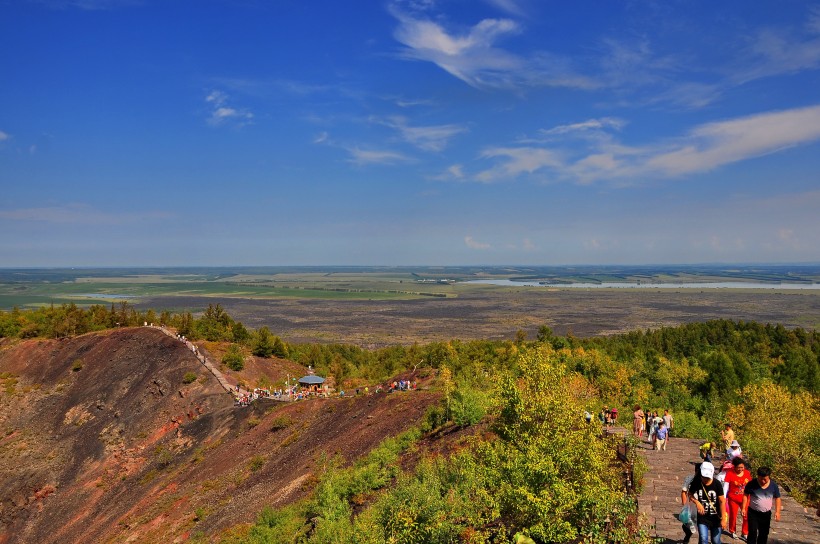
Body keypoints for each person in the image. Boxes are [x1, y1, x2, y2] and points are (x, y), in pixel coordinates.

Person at [688, 462, 727, 544]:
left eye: (708, 478)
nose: (705, 480)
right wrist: (697, 502)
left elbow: (722, 501)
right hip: (703, 517)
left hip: (716, 517)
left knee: (716, 541)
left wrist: (723, 518)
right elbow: (690, 494)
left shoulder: (717, 484)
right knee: (703, 539)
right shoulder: (697, 482)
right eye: (704, 477)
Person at [742, 467, 781, 544]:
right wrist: (743, 508)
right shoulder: (751, 484)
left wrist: (777, 512)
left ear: (769, 477)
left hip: (766, 514)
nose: (763, 481)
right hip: (753, 513)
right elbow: (745, 495)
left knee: (763, 534)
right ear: (758, 476)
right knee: (752, 532)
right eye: (761, 479)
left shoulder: (773, 486)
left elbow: (777, 498)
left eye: (765, 479)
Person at [723, 457, 752, 540]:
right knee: (733, 515)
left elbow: (750, 484)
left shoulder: (747, 473)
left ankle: (745, 532)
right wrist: (724, 497)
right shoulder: (730, 473)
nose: (740, 469)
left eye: (742, 467)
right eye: (738, 467)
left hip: (745, 498)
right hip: (733, 498)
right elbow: (726, 486)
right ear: (734, 467)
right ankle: (733, 531)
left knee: (746, 516)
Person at [681, 463, 702, 544]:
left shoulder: (706, 480)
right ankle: (688, 535)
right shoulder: (689, 478)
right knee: (686, 524)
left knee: (701, 526)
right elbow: (684, 491)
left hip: (702, 506)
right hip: (691, 504)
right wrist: (684, 504)